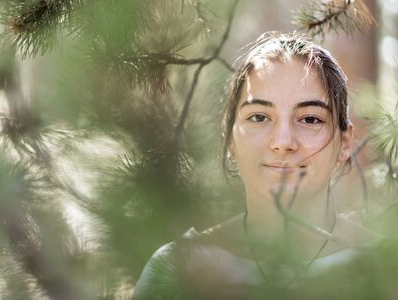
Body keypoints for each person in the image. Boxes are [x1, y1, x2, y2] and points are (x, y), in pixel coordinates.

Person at [132, 31, 362, 300]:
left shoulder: (394, 270)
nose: (283, 142)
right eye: (259, 117)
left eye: (310, 119)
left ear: (345, 144)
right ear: (230, 138)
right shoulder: (177, 271)